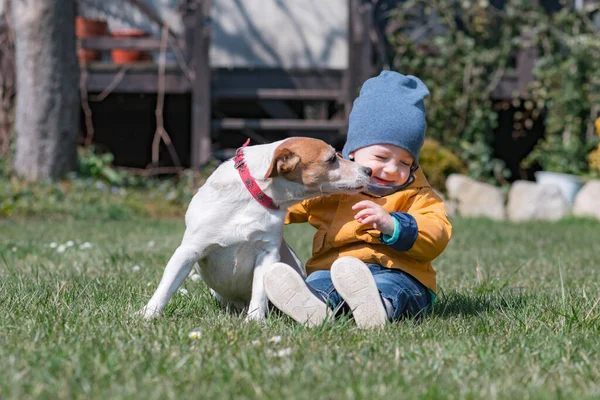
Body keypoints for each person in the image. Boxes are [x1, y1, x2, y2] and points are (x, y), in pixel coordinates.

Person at [263, 70, 452, 328]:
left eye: (405, 162)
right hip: (333, 271)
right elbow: (287, 205)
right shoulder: (332, 187)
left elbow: (437, 233)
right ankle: (312, 306)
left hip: (400, 274)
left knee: (392, 288)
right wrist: (259, 207)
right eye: (382, 158)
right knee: (320, 284)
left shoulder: (418, 194)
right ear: (353, 152)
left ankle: (378, 309)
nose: (393, 170)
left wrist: (394, 225)